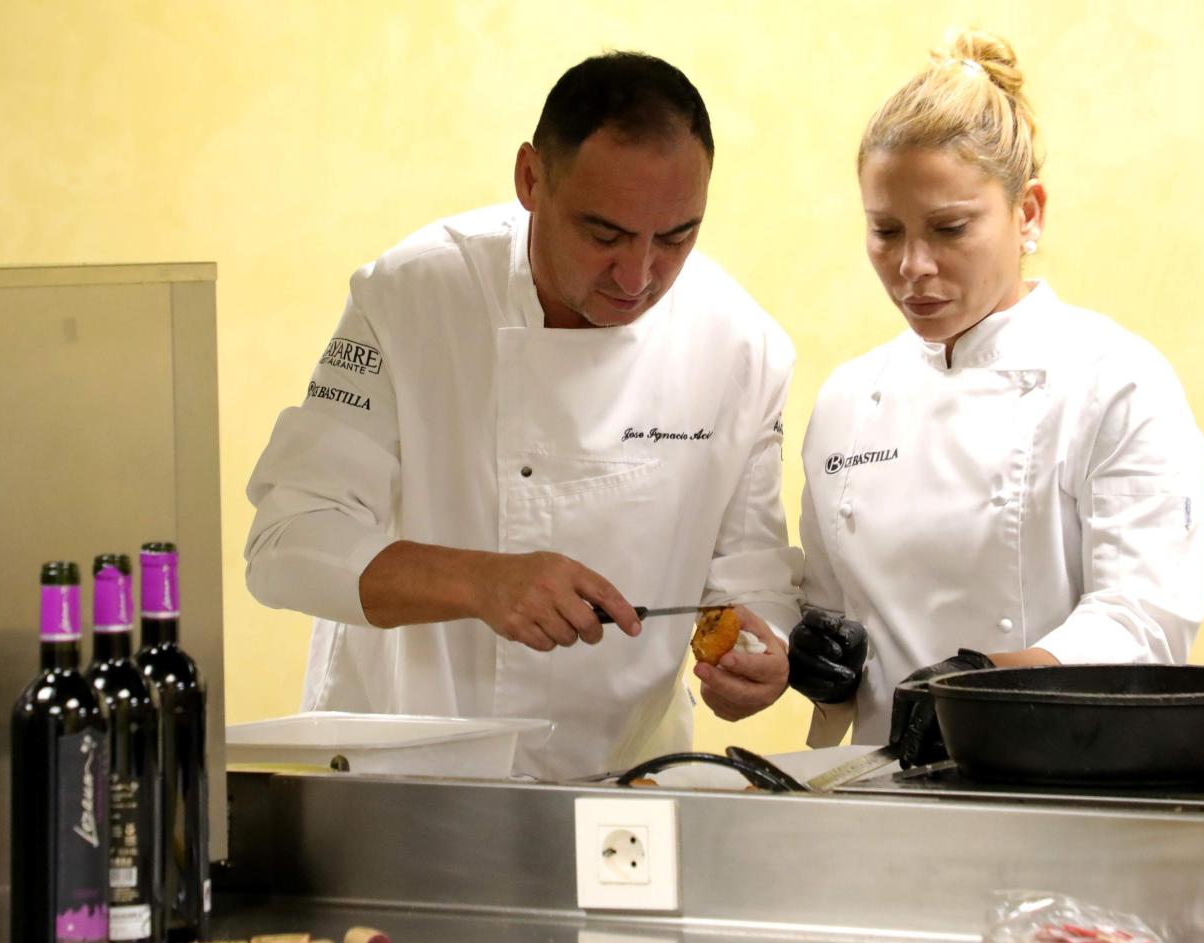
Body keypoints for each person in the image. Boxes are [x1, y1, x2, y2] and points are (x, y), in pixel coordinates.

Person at [244, 52, 801, 781]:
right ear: (531, 179)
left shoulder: (742, 347)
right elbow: (286, 546)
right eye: (603, 235)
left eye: (674, 238)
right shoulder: (413, 297)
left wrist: (760, 655)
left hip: (626, 783)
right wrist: (483, 582)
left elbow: (750, 574)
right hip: (410, 775)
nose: (637, 278)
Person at [697, 29, 1204, 766]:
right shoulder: (850, 398)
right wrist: (800, 663)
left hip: (1063, 783)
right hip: (879, 798)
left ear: (1027, 213)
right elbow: (835, 612)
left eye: (950, 229)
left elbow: (1144, 624)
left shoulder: (1115, 381)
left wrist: (981, 687)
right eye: (885, 232)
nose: (913, 266)